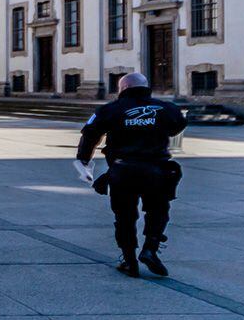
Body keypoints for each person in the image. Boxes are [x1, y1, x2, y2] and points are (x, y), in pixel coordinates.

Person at [75, 71, 186, 277]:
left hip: (123, 170)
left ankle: (129, 260)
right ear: (146, 87)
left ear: (122, 89)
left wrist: (83, 160)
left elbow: (89, 134)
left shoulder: (110, 110)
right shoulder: (167, 108)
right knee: (158, 210)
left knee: (124, 215)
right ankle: (150, 248)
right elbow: (177, 126)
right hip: (157, 170)